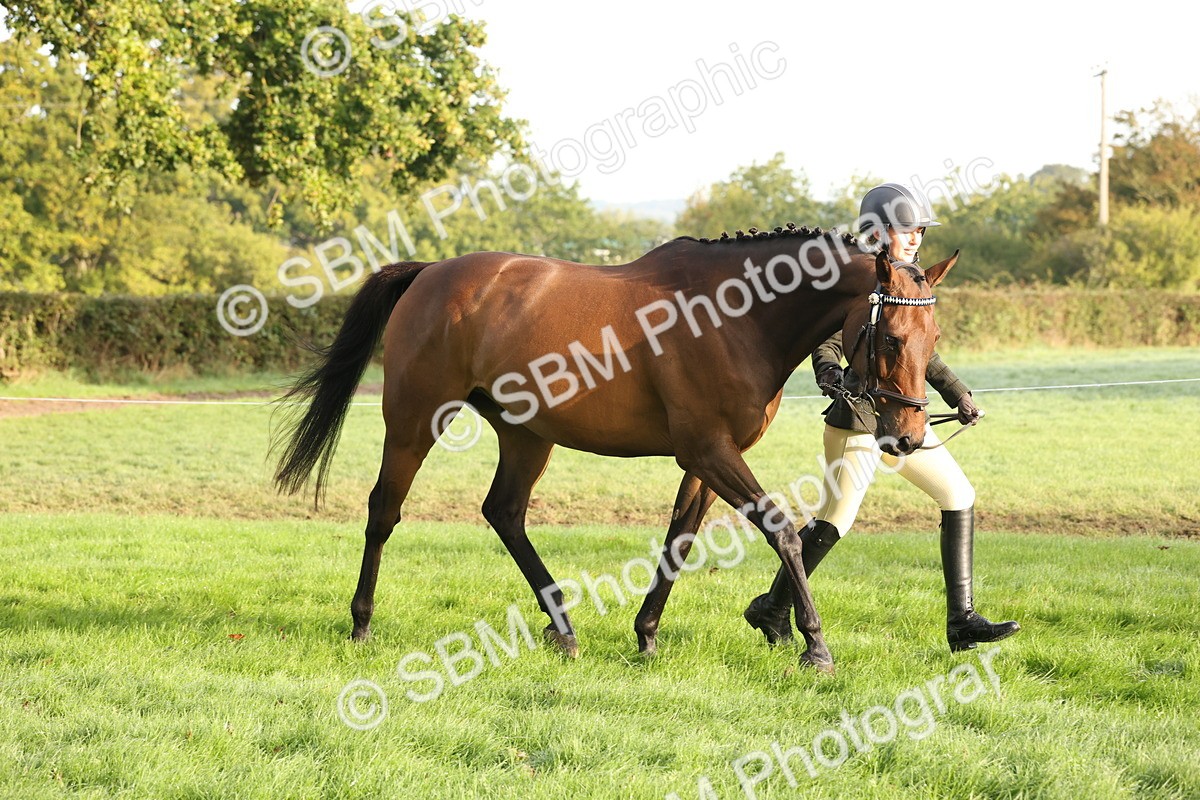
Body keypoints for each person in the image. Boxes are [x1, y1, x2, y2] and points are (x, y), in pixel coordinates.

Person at [742, 182, 1020, 653]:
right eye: (905, 229)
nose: (915, 238)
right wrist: (831, 373)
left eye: (919, 231)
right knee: (835, 521)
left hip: (904, 421)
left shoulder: (910, 282)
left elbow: (915, 353)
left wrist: (959, 394)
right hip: (859, 420)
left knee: (958, 494)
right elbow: (826, 339)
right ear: (877, 232)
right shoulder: (854, 280)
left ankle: (962, 621)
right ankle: (772, 608)